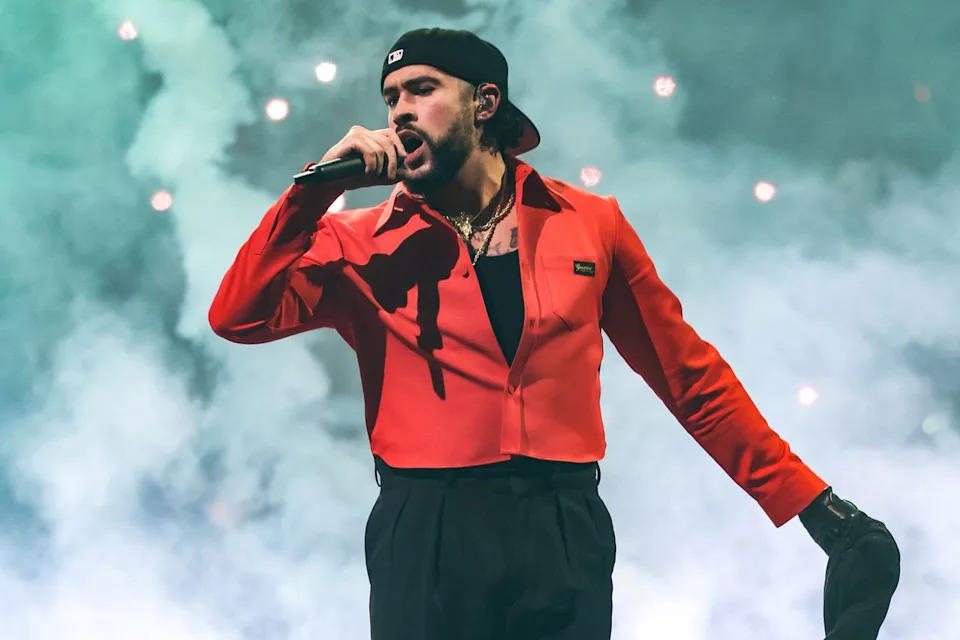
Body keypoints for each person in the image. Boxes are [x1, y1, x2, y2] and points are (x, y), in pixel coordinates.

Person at [209, 27, 898, 640]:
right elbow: (236, 317)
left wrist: (810, 503)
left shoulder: (591, 223)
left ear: (484, 103)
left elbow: (689, 378)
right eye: (391, 98)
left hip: (562, 527)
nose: (399, 112)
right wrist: (310, 193)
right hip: (426, 530)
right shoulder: (353, 241)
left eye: (421, 89)